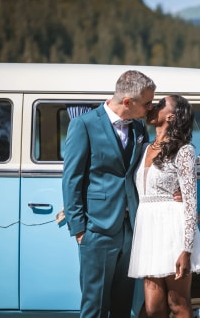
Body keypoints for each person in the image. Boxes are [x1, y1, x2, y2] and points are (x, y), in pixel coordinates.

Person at [62, 70, 155, 318]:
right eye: (147, 103)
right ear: (127, 102)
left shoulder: (139, 128)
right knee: (95, 306)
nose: (151, 108)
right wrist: (79, 229)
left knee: (124, 306)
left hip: (131, 229)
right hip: (97, 229)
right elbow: (72, 179)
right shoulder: (83, 125)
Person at [128, 95, 200, 318]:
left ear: (172, 116)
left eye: (161, 105)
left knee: (178, 303)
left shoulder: (184, 151)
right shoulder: (144, 148)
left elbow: (191, 201)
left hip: (172, 229)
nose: (154, 107)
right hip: (148, 229)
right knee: (153, 308)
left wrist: (187, 250)